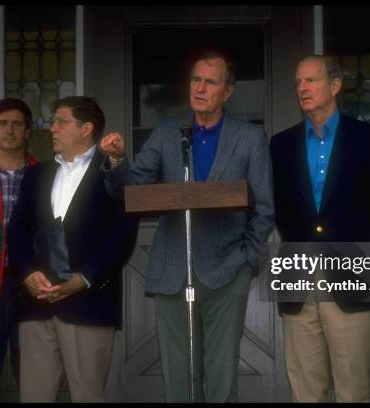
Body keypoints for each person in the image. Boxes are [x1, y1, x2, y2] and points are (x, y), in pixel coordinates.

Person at [99, 51, 274, 402]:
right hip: (173, 271)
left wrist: (246, 259)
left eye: (211, 82)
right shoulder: (168, 132)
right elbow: (129, 189)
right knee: (178, 380)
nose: (200, 87)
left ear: (228, 91)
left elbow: (265, 208)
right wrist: (116, 159)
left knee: (222, 379)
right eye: (196, 79)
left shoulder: (250, 138)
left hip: (227, 270)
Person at [269, 55, 370, 402]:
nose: (302, 88)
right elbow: (277, 208)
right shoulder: (280, 145)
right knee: (305, 388)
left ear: (335, 86)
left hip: (350, 276)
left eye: (310, 80)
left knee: (352, 389)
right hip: (297, 279)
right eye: (298, 82)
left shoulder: (368, 139)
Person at [7, 96, 138, 402]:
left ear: (86, 128)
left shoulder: (111, 172)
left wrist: (84, 278)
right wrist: (26, 272)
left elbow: (122, 234)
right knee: (33, 396)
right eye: (53, 122)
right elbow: (16, 231)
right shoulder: (37, 174)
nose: (52, 128)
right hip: (35, 304)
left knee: (87, 396)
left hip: (88, 305)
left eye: (61, 121)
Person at [0, 98, 38, 401]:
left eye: (17, 124)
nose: (9, 130)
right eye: (2, 123)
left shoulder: (45, 174)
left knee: (34, 375)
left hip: (33, 285)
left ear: (28, 131)